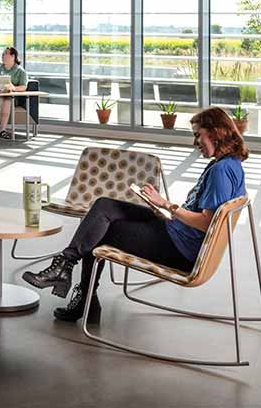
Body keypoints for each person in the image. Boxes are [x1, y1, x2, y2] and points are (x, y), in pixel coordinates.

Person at [23, 106, 247, 322]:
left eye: (199, 135)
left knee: (99, 230)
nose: (195, 142)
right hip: (176, 233)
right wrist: (158, 207)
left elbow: (208, 223)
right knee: (104, 206)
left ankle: (78, 289)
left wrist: (168, 205)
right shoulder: (230, 164)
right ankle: (67, 270)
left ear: (216, 133)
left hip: (180, 249)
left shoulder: (220, 171)